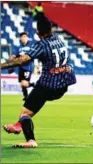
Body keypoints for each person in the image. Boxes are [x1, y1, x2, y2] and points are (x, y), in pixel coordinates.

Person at [1, 16, 76, 148]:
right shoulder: (59, 39)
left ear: (37, 32)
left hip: (48, 85)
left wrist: (2, 65)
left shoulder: (41, 45)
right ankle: (18, 125)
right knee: (31, 107)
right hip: (63, 84)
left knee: (25, 113)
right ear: (51, 29)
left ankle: (31, 140)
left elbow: (21, 60)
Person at [14, 32, 35, 101]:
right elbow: (15, 56)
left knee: (24, 84)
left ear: (27, 38)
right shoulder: (19, 47)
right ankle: (26, 97)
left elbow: (33, 55)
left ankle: (34, 85)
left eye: (24, 37)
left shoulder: (31, 46)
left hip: (28, 67)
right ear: (20, 38)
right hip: (21, 67)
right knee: (22, 84)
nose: (23, 38)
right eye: (22, 37)